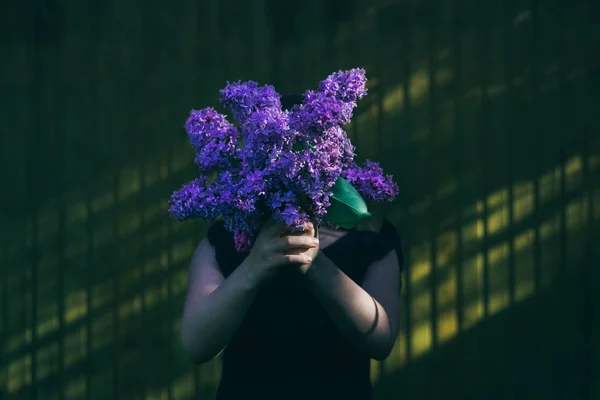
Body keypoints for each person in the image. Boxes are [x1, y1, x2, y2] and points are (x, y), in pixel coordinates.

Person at [180, 95, 404, 400]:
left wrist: (317, 265)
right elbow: (196, 344)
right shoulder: (222, 242)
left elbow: (381, 341)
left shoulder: (372, 242)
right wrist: (254, 267)